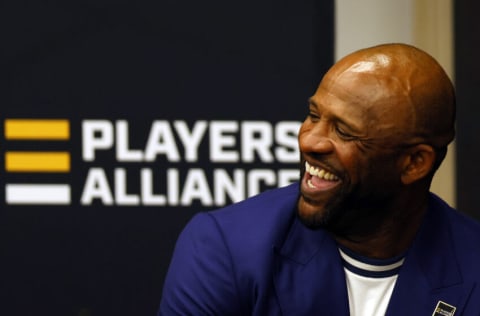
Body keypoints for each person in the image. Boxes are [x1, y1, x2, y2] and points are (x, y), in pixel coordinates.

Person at [158, 43, 480, 315]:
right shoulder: (226, 248)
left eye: (343, 131)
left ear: (414, 163)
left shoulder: (472, 264)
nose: (309, 141)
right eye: (314, 115)